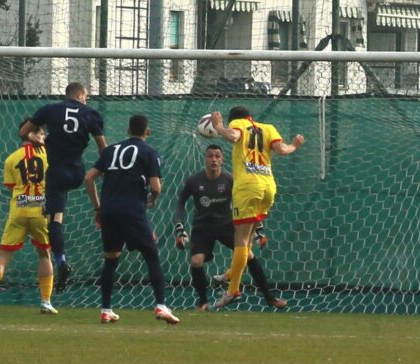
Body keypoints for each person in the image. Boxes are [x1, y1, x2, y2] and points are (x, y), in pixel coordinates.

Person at [84, 114, 179, 324]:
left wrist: (97, 207)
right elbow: (155, 187)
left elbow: (89, 177)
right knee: (152, 255)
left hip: (108, 210)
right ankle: (161, 306)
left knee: (110, 259)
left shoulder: (111, 150)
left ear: (128, 131)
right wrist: (152, 200)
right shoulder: (149, 152)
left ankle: (106, 309)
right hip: (132, 210)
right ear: (148, 132)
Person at [210, 106, 304, 308]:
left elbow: (234, 136)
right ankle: (230, 273)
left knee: (241, 239)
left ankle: (233, 289)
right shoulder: (268, 127)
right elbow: (282, 150)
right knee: (249, 237)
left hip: (248, 186)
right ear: (251, 116)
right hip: (268, 187)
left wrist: (219, 126)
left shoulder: (238, 123)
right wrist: (295, 145)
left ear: (235, 117)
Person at [174, 144, 287, 311]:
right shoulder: (194, 181)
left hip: (227, 225)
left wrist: (258, 230)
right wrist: (179, 226)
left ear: (222, 159)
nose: (213, 159)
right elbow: (181, 202)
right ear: (205, 159)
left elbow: (247, 204)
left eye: (217, 156)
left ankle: (270, 298)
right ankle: (203, 301)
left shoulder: (230, 180)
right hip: (202, 227)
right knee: (196, 261)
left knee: (248, 255)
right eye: (210, 156)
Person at [20, 82, 107, 293]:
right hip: (77, 172)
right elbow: (103, 148)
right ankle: (98, 208)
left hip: (56, 173)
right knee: (88, 180)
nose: (86, 100)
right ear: (79, 94)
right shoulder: (91, 114)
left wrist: (38, 141)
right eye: (86, 96)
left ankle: (61, 260)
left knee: (54, 220)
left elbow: (23, 132)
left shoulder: (50, 109)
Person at [0, 120, 57, 314]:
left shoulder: (11, 159)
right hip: (40, 210)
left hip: (18, 210)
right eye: (42, 133)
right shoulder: (48, 157)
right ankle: (46, 302)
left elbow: (12, 186)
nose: (43, 137)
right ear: (33, 134)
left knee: (3, 255)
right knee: (45, 255)